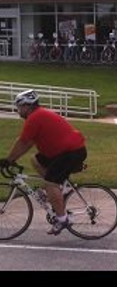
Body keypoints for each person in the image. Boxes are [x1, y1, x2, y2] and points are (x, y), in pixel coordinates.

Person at [0, 89, 87, 235]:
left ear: (27, 106)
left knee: (50, 183)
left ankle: (62, 219)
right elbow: (28, 143)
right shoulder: (38, 115)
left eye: (19, 107)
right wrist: (12, 159)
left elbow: (22, 142)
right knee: (35, 159)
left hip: (71, 152)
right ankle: (56, 193)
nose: (18, 110)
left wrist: (9, 160)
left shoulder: (35, 117)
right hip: (64, 151)